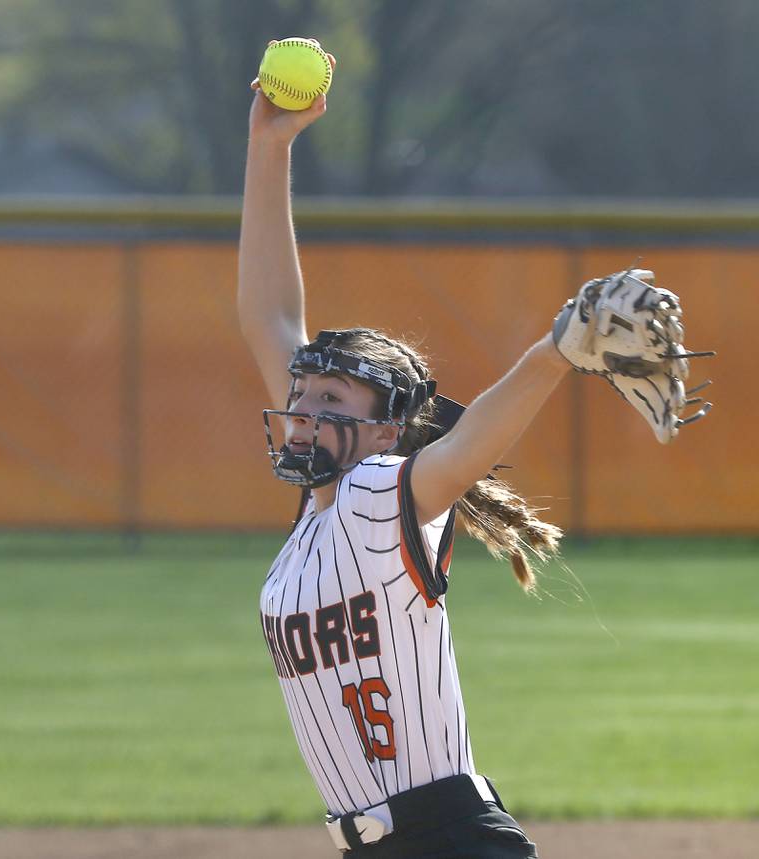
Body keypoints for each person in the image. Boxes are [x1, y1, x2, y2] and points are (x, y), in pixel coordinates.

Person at [237, 43, 584, 859]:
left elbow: (464, 449)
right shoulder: (316, 523)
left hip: (447, 839)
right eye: (301, 396)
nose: (304, 411)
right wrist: (268, 147)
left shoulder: (376, 495)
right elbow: (268, 316)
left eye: (332, 401)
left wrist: (552, 354)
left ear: (388, 430)